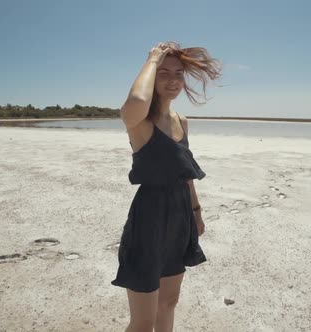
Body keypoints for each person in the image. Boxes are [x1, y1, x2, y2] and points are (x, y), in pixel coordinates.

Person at [111, 42, 222, 331]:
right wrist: (152, 57)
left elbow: (184, 172)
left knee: (169, 302)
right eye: (163, 73)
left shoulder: (180, 121)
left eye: (178, 74)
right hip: (148, 220)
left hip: (179, 217)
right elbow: (136, 99)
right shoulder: (140, 122)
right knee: (143, 321)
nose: (172, 81)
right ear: (151, 75)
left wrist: (196, 212)